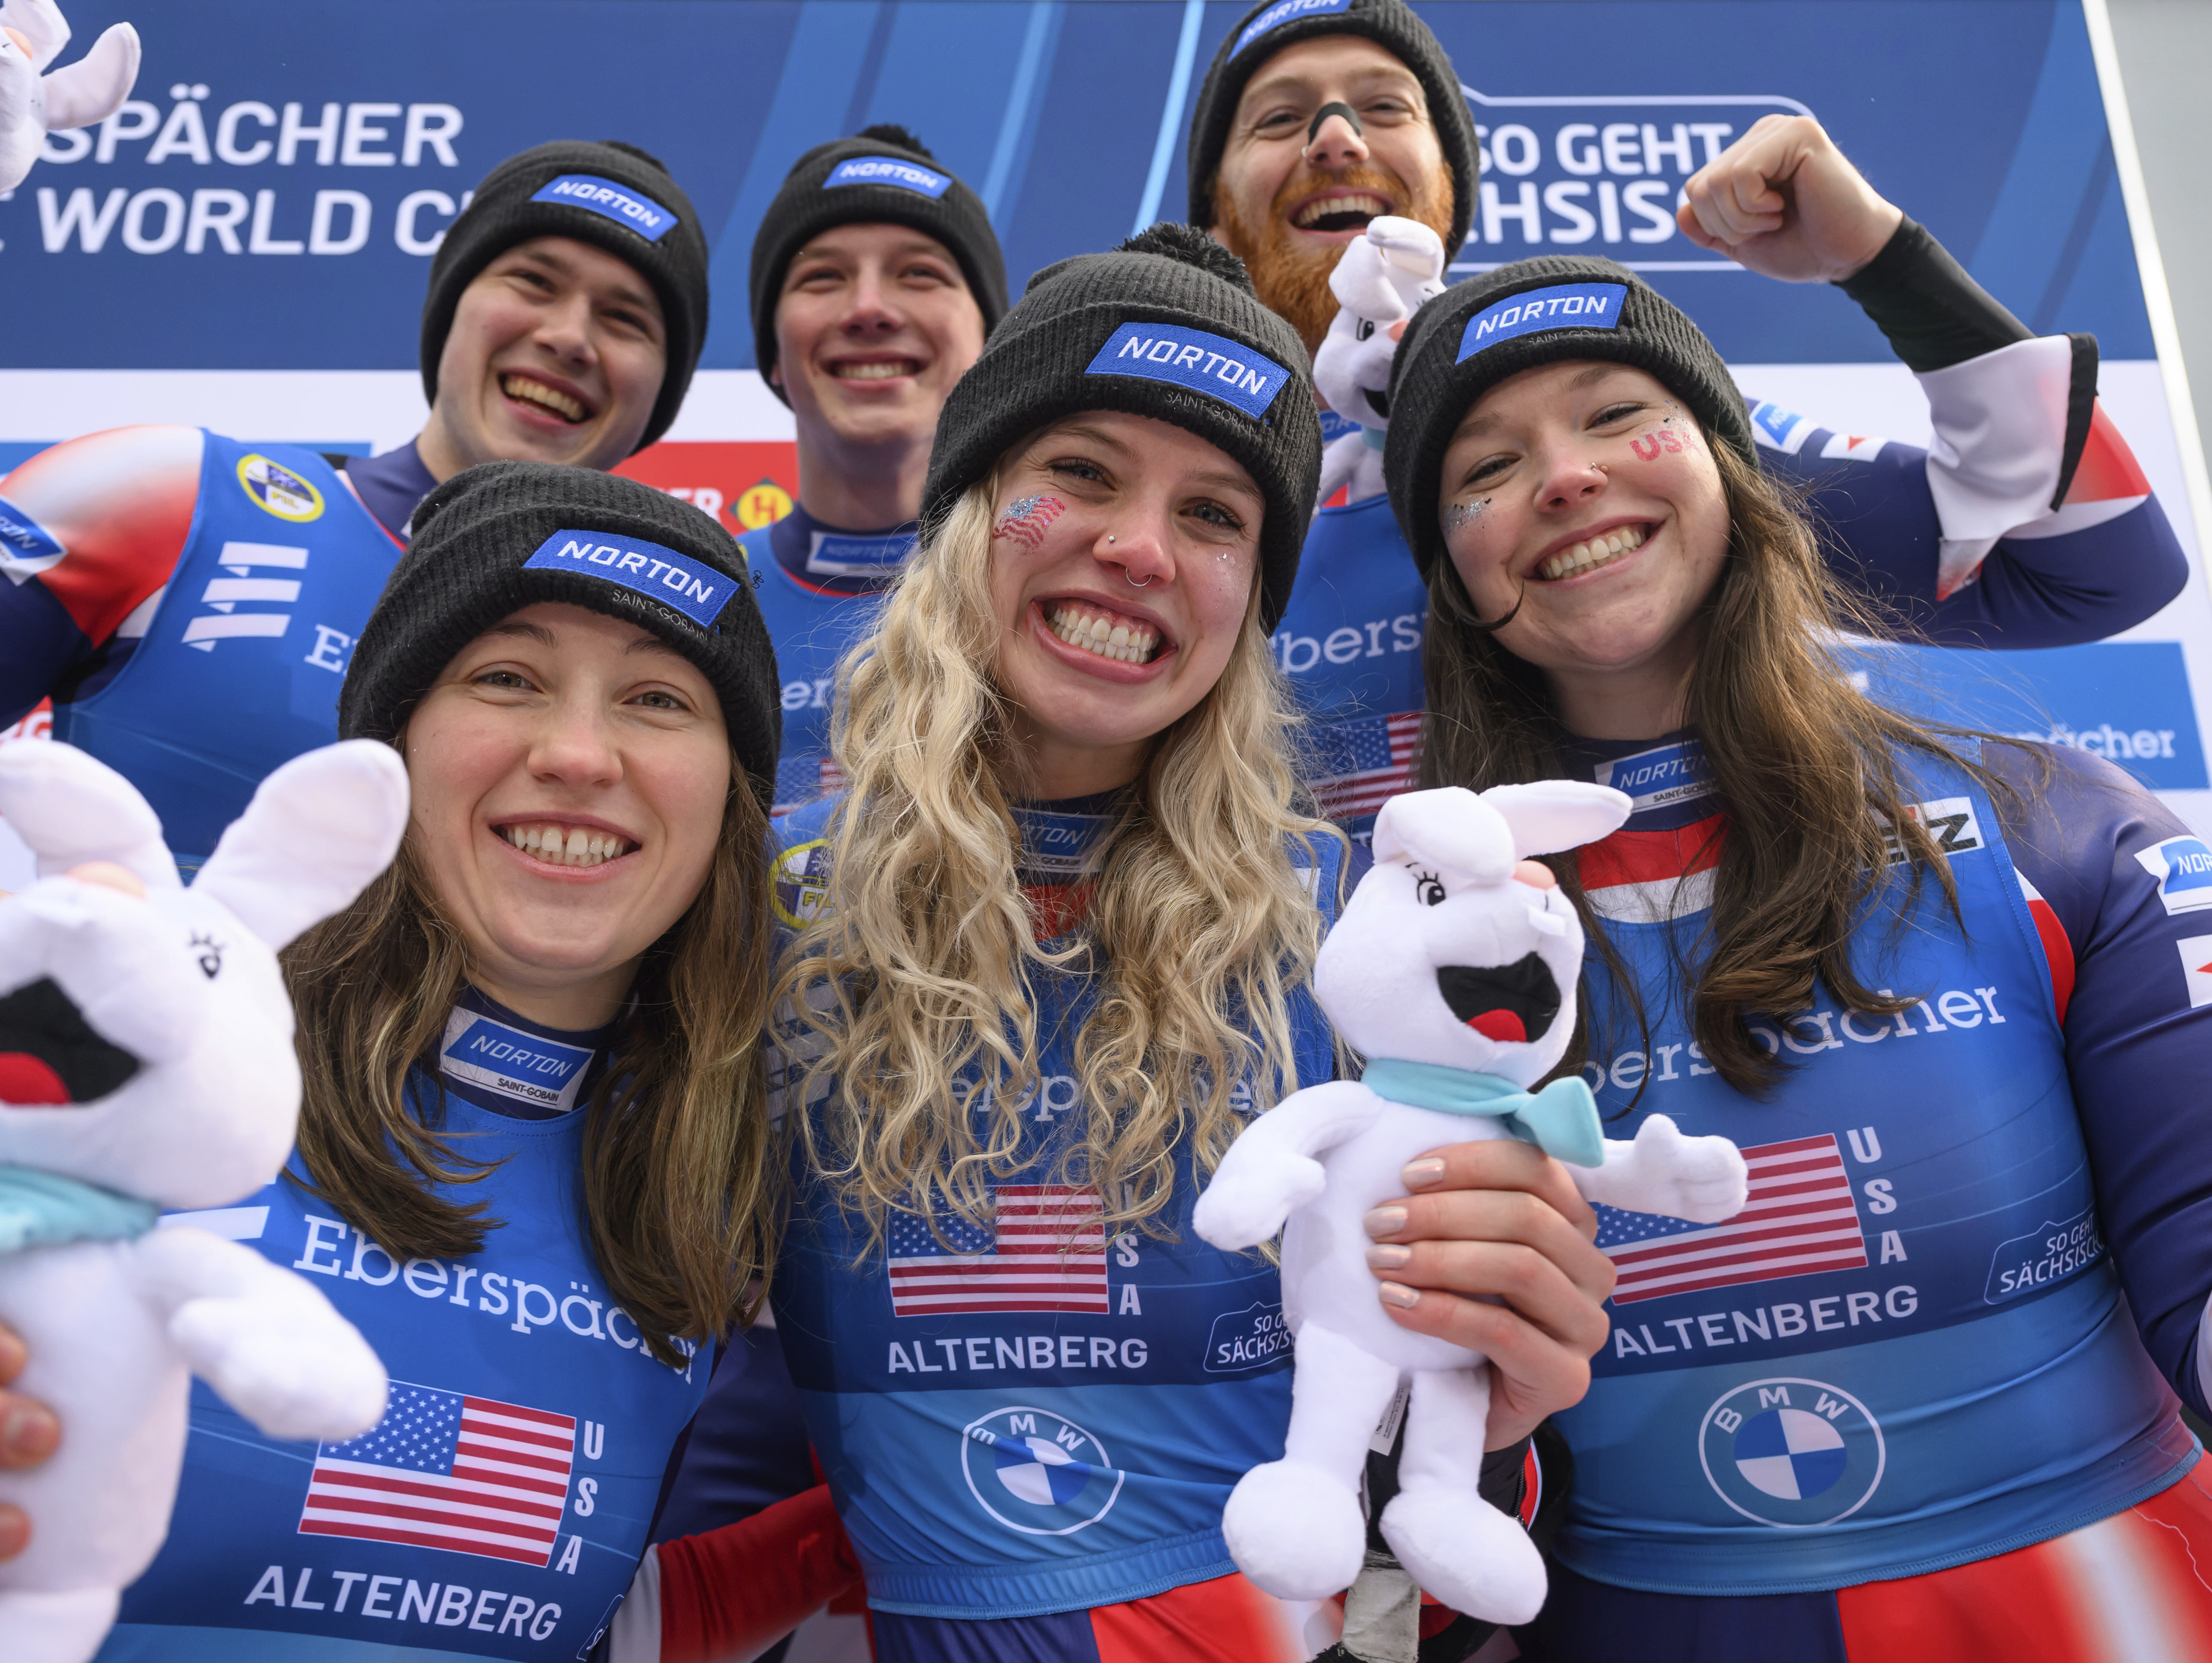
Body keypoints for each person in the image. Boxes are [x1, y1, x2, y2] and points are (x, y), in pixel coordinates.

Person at [0, 465, 822, 1662]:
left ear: (734, 795)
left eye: (661, 699)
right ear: (381, 750)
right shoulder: (64, 1025)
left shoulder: (717, 1183)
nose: (577, 752)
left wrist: (902, 1538)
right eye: (506, 676)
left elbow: (567, 1615)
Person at [762, 224, 1615, 1661]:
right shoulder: (762, 914)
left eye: (1218, 514)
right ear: (971, 511)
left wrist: (1507, 1396)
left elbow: (1467, 1503)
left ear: (1254, 599)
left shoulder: (1367, 931)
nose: (1142, 548)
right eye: (1079, 475)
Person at [1382, 254, 2212, 1661]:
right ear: (1455, 575)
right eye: (1487, 466)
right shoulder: (1403, 948)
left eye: (1616, 415)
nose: (1567, 479)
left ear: (1731, 467)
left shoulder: (2059, 824)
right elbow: (1419, 1508)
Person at [1183, 0, 2189, 830]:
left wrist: (1881, 260)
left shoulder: (1621, 434)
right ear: (1213, 216)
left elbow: (2095, 565)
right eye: (1278, 121)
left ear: (1449, 187)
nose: (1334, 138)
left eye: (1383, 106)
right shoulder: (1136, 475)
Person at [0, 124, 710, 869]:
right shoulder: (177, 498)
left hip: (461, 1199)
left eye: (628, 317)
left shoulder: (681, 643)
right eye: (531, 281)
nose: (568, 337)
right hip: (127, 1173)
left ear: (662, 389)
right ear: (451, 309)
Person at [736, 123, 1005, 814]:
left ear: (988, 340)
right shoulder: (706, 595)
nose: (869, 310)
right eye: (823, 277)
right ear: (773, 353)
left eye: (920, 273)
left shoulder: (1053, 592)